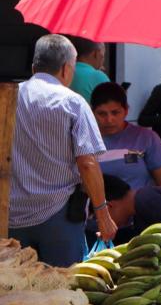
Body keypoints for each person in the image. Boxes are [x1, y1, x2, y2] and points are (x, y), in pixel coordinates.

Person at [9, 35, 117, 266]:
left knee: (16, 293)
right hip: (59, 217)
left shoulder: (9, 97)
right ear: (67, 68)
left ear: (33, 67)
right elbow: (87, 163)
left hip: (12, 214)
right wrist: (103, 215)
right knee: (62, 288)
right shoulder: (73, 102)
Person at [90, 82, 161, 191]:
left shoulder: (147, 138)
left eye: (115, 113)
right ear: (91, 112)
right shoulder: (82, 142)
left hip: (141, 206)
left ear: (126, 110)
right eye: (102, 114)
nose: (109, 120)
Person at [67, 37, 109, 103]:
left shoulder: (64, 71)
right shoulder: (98, 77)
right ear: (96, 53)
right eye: (103, 55)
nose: (102, 60)